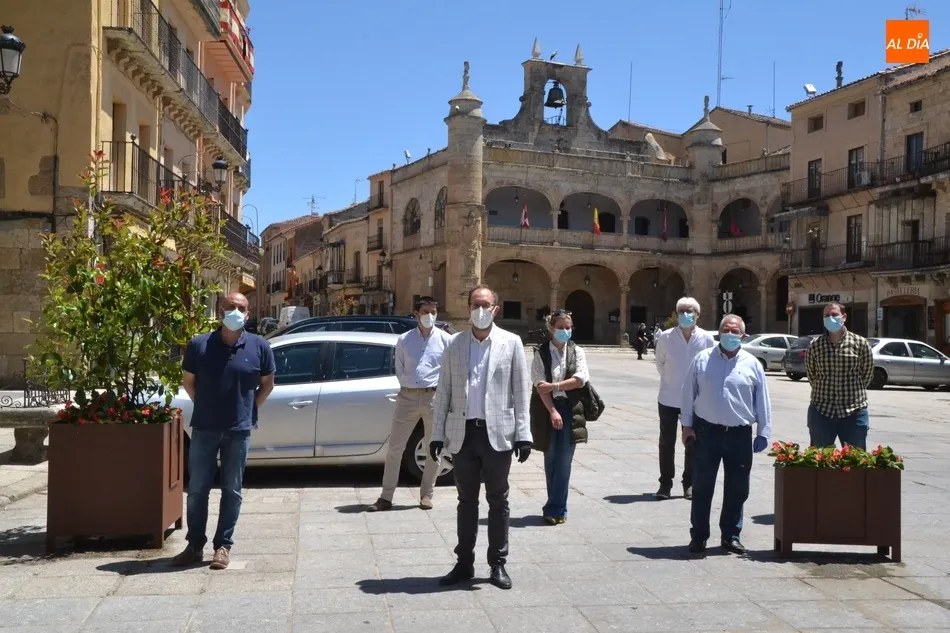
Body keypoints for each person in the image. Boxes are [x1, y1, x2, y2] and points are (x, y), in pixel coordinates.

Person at [430, 284, 532, 590]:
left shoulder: (511, 343)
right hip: (463, 434)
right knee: (466, 501)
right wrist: (436, 434)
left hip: (497, 434)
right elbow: (444, 390)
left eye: (486, 305)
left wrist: (523, 434)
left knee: (498, 499)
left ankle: (498, 563)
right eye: (475, 304)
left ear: (495, 309)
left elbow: (520, 391)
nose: (480, 310)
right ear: (468, 308)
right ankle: (464, 563)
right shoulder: (455, 344)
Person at [174, 293, 276, 570]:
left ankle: (223, 546)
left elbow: (267, 384)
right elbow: (189, 382)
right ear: (221, 311)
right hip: (205, 427)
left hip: (238, 430)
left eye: (241, 308)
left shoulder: (259, 346)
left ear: (248, 313)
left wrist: (249, 409)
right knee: (197, 489)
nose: (235, 311)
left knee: (233, 490)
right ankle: (194, 545)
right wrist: (205, 405)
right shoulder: (199, 345)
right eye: (230, 307)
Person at [681, 314, 771, 555]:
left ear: (743, 335)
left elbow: (762, 399)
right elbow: (688, 393)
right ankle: (699, 536)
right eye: (726, 330)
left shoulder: (752, 364)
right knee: (702, 486)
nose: (730, 335)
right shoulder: (702, 359)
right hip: (706, 432)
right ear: (719, 333)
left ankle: (731, 535)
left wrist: (763, 431)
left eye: (735, 331)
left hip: (739, 434)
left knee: (738, 488)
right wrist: (686, 426)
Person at [367, 296, 451, 512]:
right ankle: (386, 497)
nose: (430, 316)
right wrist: (409, 388)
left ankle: (427, 495)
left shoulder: (445, 340)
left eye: (433, 312)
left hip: (434, 397)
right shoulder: (404, 340)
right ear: (416, 314)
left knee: (434, 448)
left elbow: (449, 371)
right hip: (408, 397)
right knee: (395, 448)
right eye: (425, 312)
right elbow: (400, 369)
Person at [530, 309, 591, 525]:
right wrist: (552, 411)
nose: (565, 331)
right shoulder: (541, 353)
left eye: (568, 327)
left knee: (564, 460)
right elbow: (540, 385)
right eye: (560, 327)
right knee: (551, 458)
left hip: (570, 409)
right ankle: (556, 507)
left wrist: (555, 386)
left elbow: (580, 379)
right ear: (551, 328)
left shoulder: (577, 351)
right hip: (548, 408)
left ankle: (555, 508)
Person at [653, 297, 716, 500]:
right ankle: (665, 483)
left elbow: (709, 366)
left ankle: (689, 483)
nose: (685, 315)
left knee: (692, 442)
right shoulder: (666, 337)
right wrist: (673, 381)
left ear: (697, 315)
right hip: (669, 398)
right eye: (681, 311)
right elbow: (660, 364)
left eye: (689, 311)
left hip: (695, 400)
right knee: (667, 442)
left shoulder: (706, 338)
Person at [805, 302, 874, 449]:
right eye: (827, 315)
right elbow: (812, 375)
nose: (830, 318)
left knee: (855, 459)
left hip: (853, 411)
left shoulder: (860, 343)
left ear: (844, 317)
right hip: (822, 411)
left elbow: (867, 374)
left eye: (834, 314)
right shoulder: (815, 345)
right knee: (818, 458)